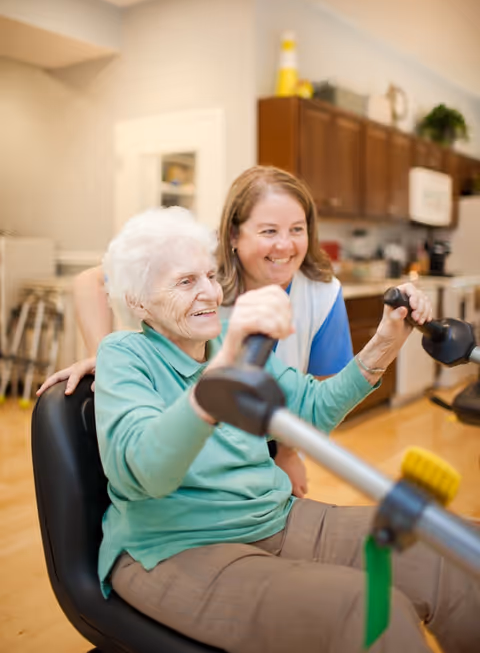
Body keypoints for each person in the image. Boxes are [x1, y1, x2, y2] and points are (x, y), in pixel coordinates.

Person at [92, 207, 478, 653]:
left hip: (275, 519)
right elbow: (145, 471)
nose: (210, 293)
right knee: (369, 611)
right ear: (138, 301)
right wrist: (224, 368)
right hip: (175, 547)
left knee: (453, 547)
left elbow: (312, 412)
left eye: (211, 276)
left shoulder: (224, 340)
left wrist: (388, 338)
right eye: (185, 282)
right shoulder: (125, 355)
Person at [37, 166, 354, 497]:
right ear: (234, 235)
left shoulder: (321, 294)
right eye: (268, 231)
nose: (285, 246)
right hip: (191, 432)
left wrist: (288, 454)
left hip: (270, 432)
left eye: (297, 229)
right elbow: (93, 280)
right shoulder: (200, 270)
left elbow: (315, 396)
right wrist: (103, 355)